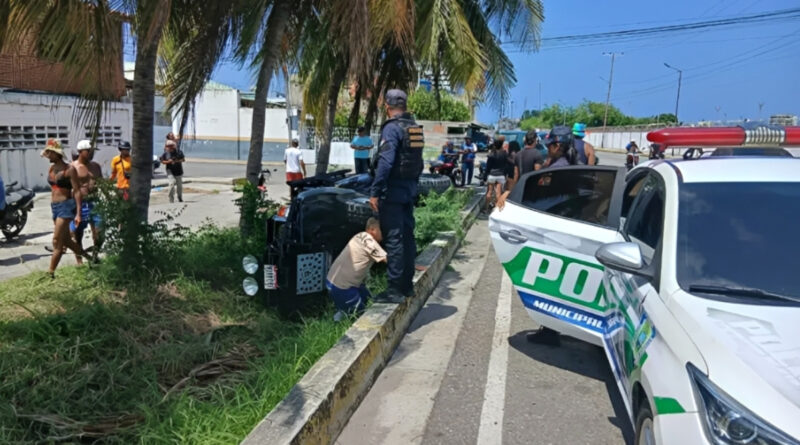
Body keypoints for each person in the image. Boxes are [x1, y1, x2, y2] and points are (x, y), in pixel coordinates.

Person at [369, 89, 424, 301]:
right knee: (408, 237)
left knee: (394, 239)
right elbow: (419, 163)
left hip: (392, 191)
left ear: (387, 106)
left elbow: (386, 162)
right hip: (409, 189)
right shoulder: (414, 127)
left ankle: (394, 290)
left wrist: (375, 192)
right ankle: (407, 286)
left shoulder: (391, 128)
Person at [42, 139, 89, 278]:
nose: (48, 156)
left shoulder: (69, 170)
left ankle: (50, 273)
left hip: (66, 206)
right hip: (55, 207)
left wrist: (78, 213)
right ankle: (90, 258)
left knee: (57, 241)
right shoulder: (52, 169)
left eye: (50, 153)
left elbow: (77, 191)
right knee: (67, 240)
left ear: (57, 154)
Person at [326, 217, 387, 320]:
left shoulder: (360, 236)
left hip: (333, 282)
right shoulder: (369, 241)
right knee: (362, 315)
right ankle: (341, 318)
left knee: (368, 298)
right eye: (382, 230)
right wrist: (410, 266)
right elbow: (389, 260)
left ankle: (343, 310)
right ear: (372, 229)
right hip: (342, 288)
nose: (384, 233)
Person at [68, 141, 103, 263]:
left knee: (100, 231)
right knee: (77, 233)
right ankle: (79, 260)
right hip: (79, 203)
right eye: (88, 151)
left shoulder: (96, 166)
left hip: (94, 201)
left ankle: (95, 256)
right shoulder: (73, 167)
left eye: (92, 151)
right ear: (80, 152)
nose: (91, 153)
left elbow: (102, 184)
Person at [496, 130, 544, 211]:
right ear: (535, 140)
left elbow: (516, 174)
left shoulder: (518, 154)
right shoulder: (537, 154)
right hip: (532, 189)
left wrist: (515, 189)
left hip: (521, 187)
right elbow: (538, 173)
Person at [484, 139, 510, 212]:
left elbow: (488, 167)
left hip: (492, 175)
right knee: (498, 193)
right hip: (501, 175)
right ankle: (498, 209)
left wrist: (485, 176)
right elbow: (506, 165)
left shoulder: (491, 154)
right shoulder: (504, 154)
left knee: (489, 192)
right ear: (501, 145)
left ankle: (486, 209)